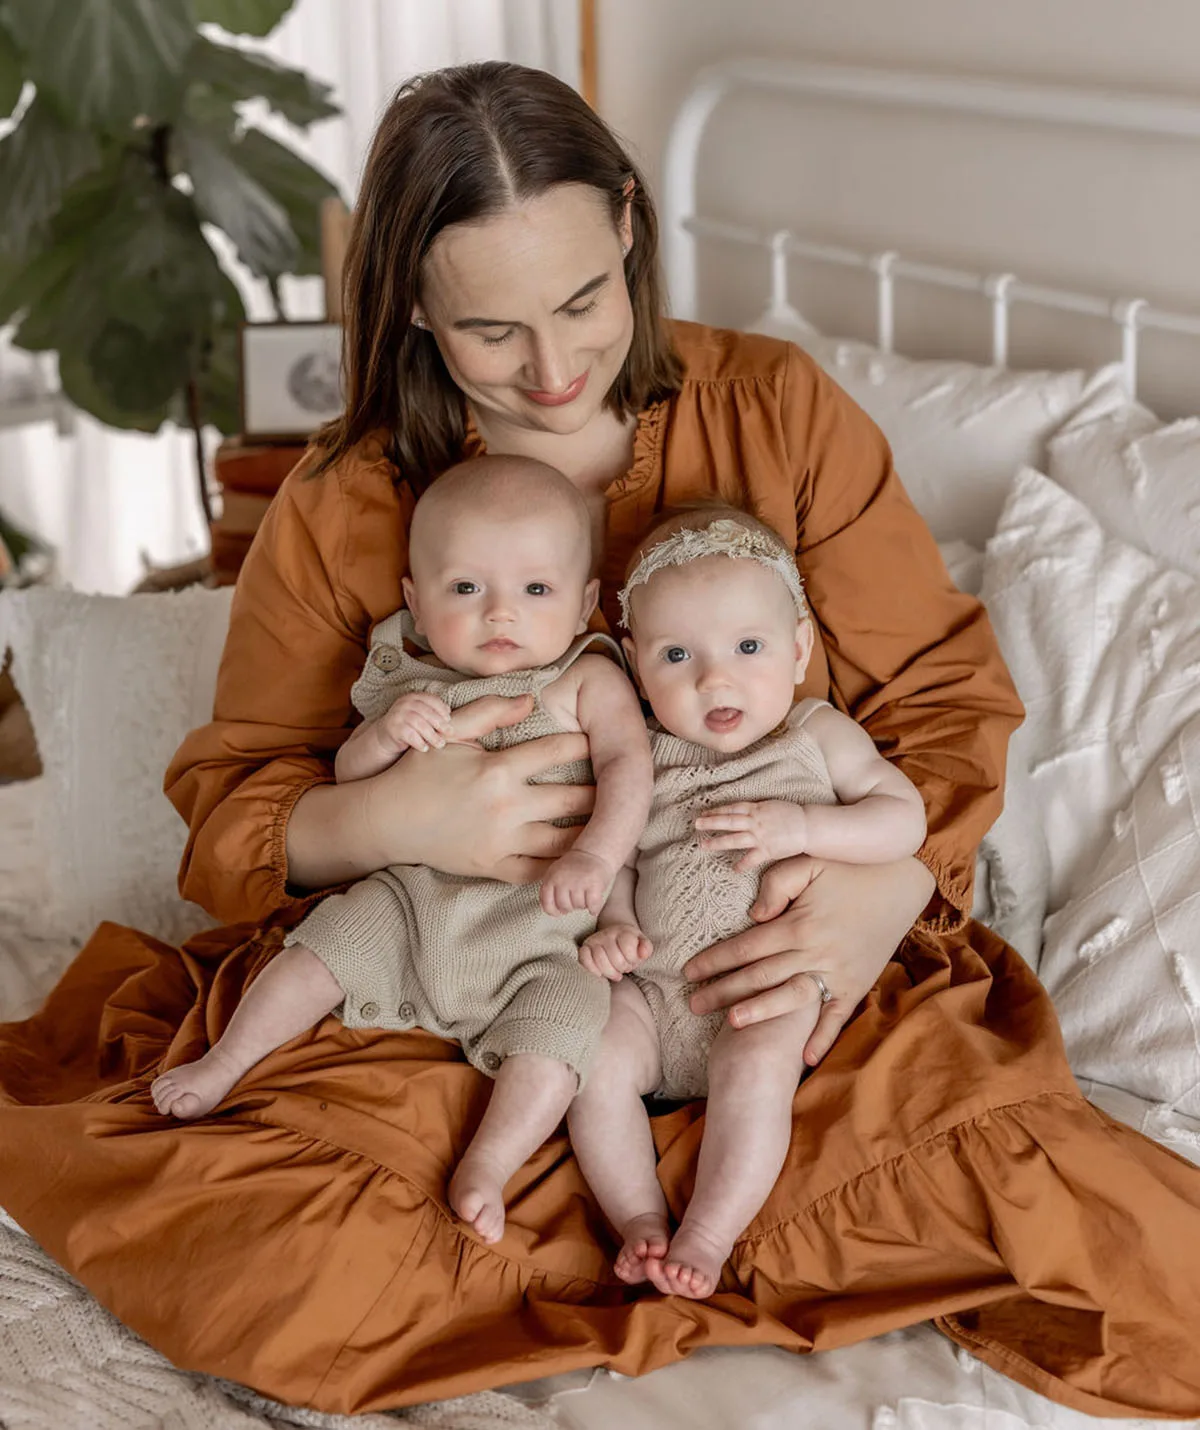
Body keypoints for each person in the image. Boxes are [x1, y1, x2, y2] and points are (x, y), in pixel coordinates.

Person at [1, 59, 1199, 1421]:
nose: (557, 368)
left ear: (630, 223)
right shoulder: (347, 499)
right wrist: (392, 824)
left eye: (582, 300)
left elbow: (938, 702)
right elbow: (233, 802)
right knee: (270, 1233)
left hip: (776, 949)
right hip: (469, 978)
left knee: (1042, 1204)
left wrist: (877, 894)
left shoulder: (775, 412)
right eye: (493, 330)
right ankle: (576, 1209)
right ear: (412, 308)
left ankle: (681, 1225)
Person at [150, 454, 653, 1244]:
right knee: (317, 949)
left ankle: (488, 1162)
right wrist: (385, 736)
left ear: (588, 601)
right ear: (416, 602)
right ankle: (226, 1062)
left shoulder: (586, 678)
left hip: (546, 932)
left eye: (536, 591)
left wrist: (595, 859)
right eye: (465, 590)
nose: (500, 616)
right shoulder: (407, 682)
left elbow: (630, 768)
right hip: (412, 902)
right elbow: (348, 778)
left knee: (565, 1032)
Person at [569, 507, 926, 1298]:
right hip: (654, 993)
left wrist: (806, 825)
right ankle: (637, 1219)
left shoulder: (815, 735)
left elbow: (904, 819)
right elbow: (618, 857)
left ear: (799, 649)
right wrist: (618, 924)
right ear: (634, 667)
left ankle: (707, 1231)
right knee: (587, 1055)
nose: (713, 678)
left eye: (749, 648)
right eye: (675, 655)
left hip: (771, 990)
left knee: (757, 1069)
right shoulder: (642, 758)